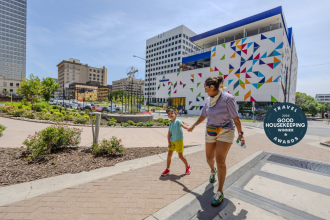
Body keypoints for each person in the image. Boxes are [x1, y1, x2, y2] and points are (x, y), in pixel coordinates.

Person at [187, 76, 245, 207]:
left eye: (205, 88)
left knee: (220, 160)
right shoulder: (208, 100)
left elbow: (236, 118)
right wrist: (193, 125)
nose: (205, 91)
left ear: (211, 87)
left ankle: (219, 192)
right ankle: (212, 171)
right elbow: (203, 115)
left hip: (226, 130)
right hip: (211, 129)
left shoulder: (228, 98)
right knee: (209, 158)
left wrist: (240, 134)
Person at [161, 109, 191, 176]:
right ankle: (167, 169)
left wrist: (188, 128)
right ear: (168, 116)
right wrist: (169, 143)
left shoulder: (178, 121)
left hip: (179, 141)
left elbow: (183, 125)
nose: (170, 115)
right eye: (169, 114)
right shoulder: (170, 124)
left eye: (172, 113)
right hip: (172, 142)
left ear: (176, 114)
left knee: (180, 156)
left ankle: (187, 166)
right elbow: (168, 134)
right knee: (169, 155)